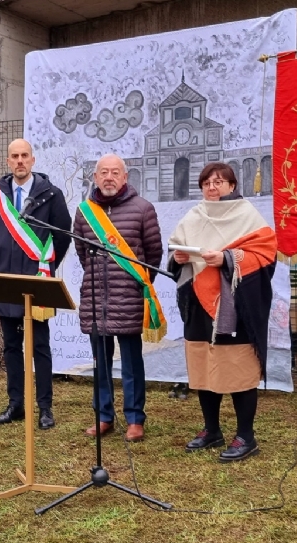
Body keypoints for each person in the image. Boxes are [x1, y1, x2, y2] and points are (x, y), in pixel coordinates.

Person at [167, 163, 277, 462]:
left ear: (232, 185)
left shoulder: (247, 215)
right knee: (204, 363)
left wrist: (227, 258)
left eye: (219, 182)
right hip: (198, 304)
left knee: (238, 367)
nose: (212, 187)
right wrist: (178, 259)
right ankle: (211, 429)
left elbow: (266, 256)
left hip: (235, 303)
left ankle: (246, 435)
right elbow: (176, 255)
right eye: (206, 183)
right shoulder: (194, 216)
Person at [71, 154, 163, 442]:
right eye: (103, 173)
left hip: (130, 297)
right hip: (96, 298)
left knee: (132, 362)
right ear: (95, 178)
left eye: (115, 173)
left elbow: (153, 255)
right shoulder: (84, 212)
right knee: (101, 361)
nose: (109, 177)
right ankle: (104, 416)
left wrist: (134, 285)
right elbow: (83, 254)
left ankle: (135, 419)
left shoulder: (143, 209)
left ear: (125, 177)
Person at [0, 138, 71, 430]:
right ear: (8, 162)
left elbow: (62, 235)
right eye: (14, 156)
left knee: (40, 346)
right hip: (6, 281)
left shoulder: (51, 194)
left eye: (24, 156)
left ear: (33, 160)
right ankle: (16, 405)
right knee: (11, 346)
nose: (20, 161)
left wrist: (46, 266)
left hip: (37, 282)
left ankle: (45, 408)